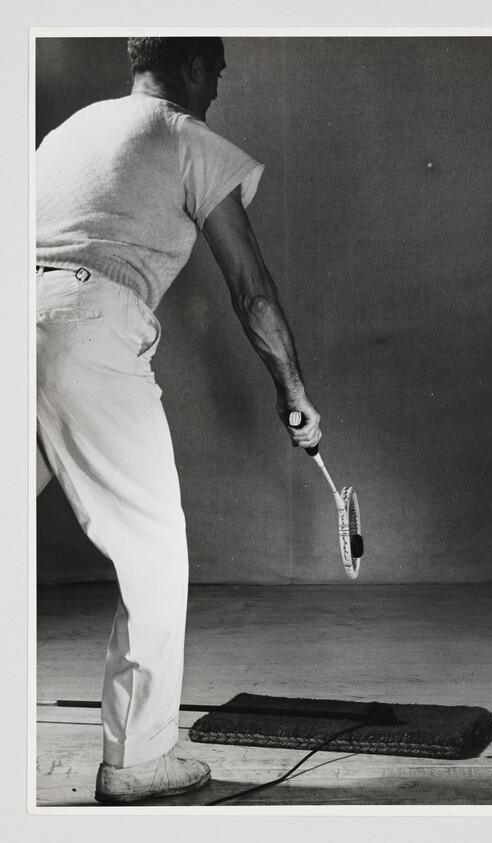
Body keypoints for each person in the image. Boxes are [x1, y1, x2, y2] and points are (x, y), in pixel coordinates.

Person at [36, 36, 321, 804]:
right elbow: (251, 289)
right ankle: (138, 761)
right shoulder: (188, 137)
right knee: (156, 555)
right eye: (217, 74)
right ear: (194, 67)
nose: (217, 91)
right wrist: (292, 388)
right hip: (85, 327)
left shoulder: (71, 131)